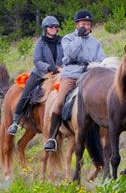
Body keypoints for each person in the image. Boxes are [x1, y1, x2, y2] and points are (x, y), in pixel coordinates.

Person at [44, 9, 106, 151]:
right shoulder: (68, 39)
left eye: (89, 24)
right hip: (71, 74)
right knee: (59, 101)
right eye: (83, 24)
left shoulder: (95, 43)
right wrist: (79, 38)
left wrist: (94, 66)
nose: (86, 27)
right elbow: (70, 53)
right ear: (77, 25)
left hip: (89, 75)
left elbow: (101, 59)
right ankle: (51, 138)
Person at [7, 15, 64, 136]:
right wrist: (49, 67)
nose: (53, 28)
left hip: (58, 74)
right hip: (40, 73)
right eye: (50, 27)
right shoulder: (40, 43)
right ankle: (15, 122)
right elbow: (37, 61)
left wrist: (62, 68)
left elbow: (66, 56)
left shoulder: (61, 41)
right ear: (45, 28)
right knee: (26, 94)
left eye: (55, 26)